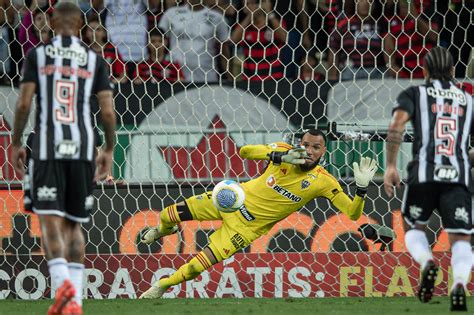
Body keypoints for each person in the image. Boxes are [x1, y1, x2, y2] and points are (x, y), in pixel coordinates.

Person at [139, 129, 378, 299]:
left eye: (316, 147)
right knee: (169, 214)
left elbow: (353, 213)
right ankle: (163, 230)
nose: (309, 151)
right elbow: (245, 151)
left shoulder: (324, 181)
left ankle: (162, 286)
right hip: (231, 200)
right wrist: (280, 156)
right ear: (299, 144)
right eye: (305, 145)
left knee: (196, 268)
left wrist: (361, 189)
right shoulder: (283, 150)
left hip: (246, 228)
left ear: (323, 150)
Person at [10, 3, 116, 315]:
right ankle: (76, 305)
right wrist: (108, 148)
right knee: (75, 225)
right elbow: (107, 111)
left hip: (47, 146)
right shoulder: (95, 59)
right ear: (82, 23)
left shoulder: (37, 56)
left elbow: (23, 104)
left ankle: (62, 287)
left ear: (52, 23)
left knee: (50, 220)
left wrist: (16, 141)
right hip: (83, 146)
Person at [383, 47, 473, 312]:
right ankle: (459, 284)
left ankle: (426, 263)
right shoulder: (468, 100)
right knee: (461, 239)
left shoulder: (415, 93)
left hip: (423, 174)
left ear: (424, 71)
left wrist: (390, 166)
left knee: (412, 228)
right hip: (457, 177)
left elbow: (396, 125)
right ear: (453, 71)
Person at [158, 0, 231, 83]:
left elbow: (224, 50)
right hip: (175, 77)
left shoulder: (217, 17)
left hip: (206, 76)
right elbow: (157, 42)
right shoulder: (171, 13)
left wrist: (229, 76)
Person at [230, 0, 287, 81]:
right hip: (250, 79)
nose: (249, 6)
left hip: (273, 78)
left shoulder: (274, 24)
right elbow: (234, 40)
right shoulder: (244, 27)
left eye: (252, 3)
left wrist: (269, 13)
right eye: (246, 4)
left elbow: (285, 38)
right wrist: (250, 16)